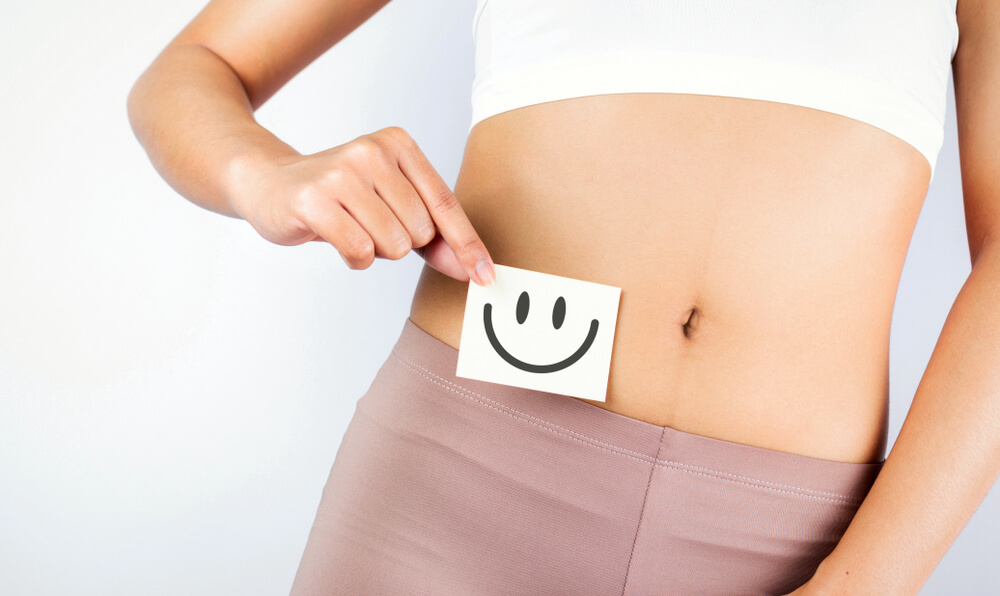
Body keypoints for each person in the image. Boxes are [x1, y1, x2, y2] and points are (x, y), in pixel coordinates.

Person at [127, 0, 1000, 594]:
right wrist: (263, 174)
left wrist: (864, 586)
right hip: (455, 488)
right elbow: (194, 66)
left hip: (794, 544)